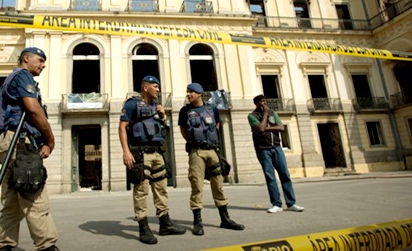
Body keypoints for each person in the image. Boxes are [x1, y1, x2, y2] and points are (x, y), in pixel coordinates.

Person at [0, 47, 59, 251]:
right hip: (20, 142)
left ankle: (4, 245)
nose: (43, 65)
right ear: (26, 59)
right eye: (39, 60)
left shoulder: (10, 78)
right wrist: (49, 139)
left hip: (8, 142)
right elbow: (32, 108)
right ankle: (46, 246)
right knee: (34, 196)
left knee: (13, 201)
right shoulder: (23, 76)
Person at [119, 75, 185, 245]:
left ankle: (165, 223)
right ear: (145, 87)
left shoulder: (157, 106)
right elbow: (122, 127)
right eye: (155, 86)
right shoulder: (132, 104)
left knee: (161, 188)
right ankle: (143, 227)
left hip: (157, 153)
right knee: (141, 190)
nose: (158, 89)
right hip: (141, 153)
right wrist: (126, 151)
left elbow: (162, 129)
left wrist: (163, 117)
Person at [179, 83, 244, 236]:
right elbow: (183, 130)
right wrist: (195, 141)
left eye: (191, 92)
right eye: (187, 91)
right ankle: (197, 222)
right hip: (196, 152)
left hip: (213, 151)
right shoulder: (185, 110)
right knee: (197, 186)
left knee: (218, 185)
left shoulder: (211, 108)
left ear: (199, 93)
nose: (188, 94)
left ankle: (225, 219)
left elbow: (216, 125)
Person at [248, 95, 304, 214]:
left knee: (285, 175)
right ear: (256, 104)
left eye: (265, 101)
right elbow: (261, 128)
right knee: (270, 177)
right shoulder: (252, 116)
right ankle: (276, 204)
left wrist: (265, 128)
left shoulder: (273, 113)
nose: (265, 103)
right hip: (263, 149)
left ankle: (291, 203)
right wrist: (265, 117)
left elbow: (281, 128)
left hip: (277, 148)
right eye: (262, 101)